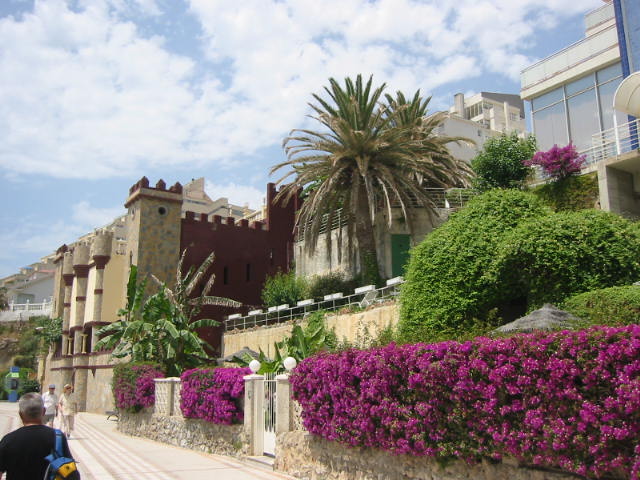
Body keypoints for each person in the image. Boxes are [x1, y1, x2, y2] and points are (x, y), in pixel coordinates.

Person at [0, 392, 73, 480]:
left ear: (20, 414)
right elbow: (70, 471)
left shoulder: (8, 440)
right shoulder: (58, 437)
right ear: (44, 411)